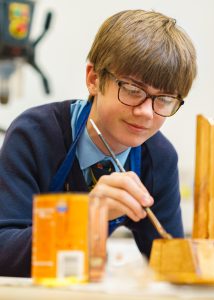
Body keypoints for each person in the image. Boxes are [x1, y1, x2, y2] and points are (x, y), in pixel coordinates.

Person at [0, 9, 197, 277]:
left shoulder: (158, 158)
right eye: (132, 90)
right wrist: (86, 216)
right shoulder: (34, 134)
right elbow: (3, 253)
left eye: (163, 99)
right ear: (94, 79)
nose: (146, 113)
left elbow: (168, 264)